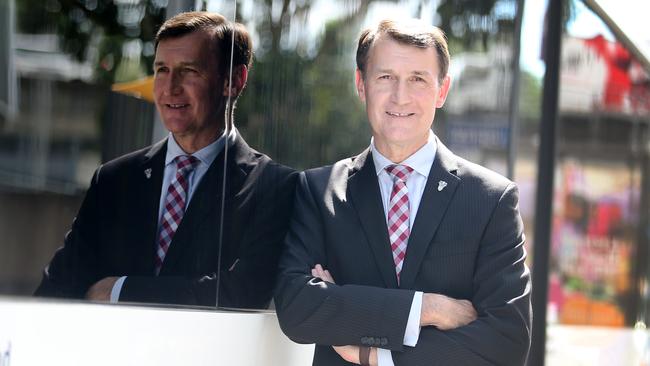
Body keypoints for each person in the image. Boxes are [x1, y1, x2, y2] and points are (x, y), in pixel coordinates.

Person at [274, 18, 531, 365]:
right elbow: (298, 310)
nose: (400, 96)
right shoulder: (318, 191)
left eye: (418, 79)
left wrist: (375, 354)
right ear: (361, 84)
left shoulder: (490, 200)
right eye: (385, 77)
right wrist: (427, 308)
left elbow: (507, 340)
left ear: (442, 91)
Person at [35, 12, 297, 309]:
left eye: (189, 71)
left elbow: (242, 293)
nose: (170, 88)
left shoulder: (272, 186)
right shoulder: (114, 180)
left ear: (234, 80)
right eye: (161, 70)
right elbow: (55, 290)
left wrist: (120, 290)